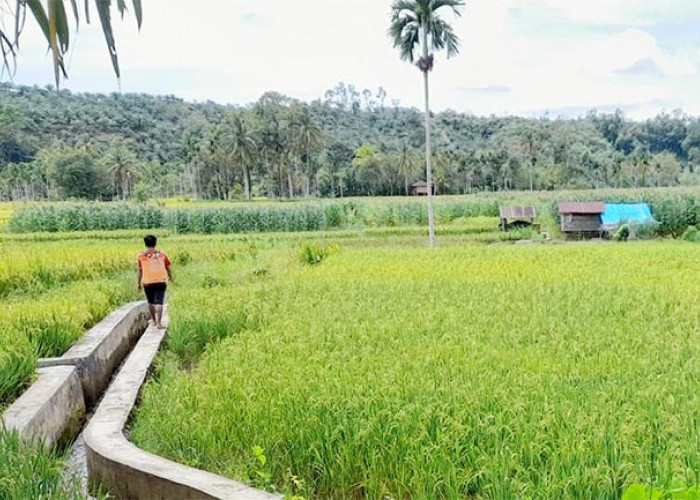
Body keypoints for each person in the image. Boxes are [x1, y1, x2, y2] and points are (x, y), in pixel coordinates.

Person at [137, 235, 173, 329]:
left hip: (147, 282)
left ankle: (153, 320)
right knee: (159, 302)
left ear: (145, 244)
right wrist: (170, 277)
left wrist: (138, 284)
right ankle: (159, 323)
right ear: (155, 243)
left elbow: (140, 271)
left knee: (150, 302)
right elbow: (168, 267)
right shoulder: (162, 255)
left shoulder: (141, 256)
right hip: (161, 281)